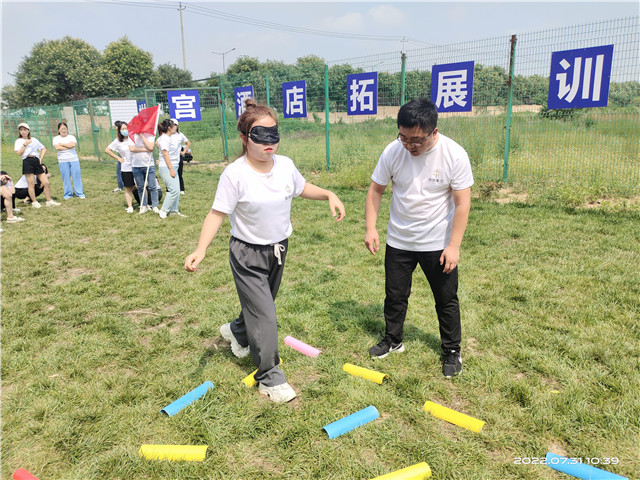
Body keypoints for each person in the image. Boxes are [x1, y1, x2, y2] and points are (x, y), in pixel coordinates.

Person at [185, 99, 345, 404]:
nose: (268, 143)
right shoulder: (234, 175)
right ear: (245, 139)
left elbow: (301, 187)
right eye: (260, 136)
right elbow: (217, 214)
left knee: (262, 308)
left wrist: (328, 194)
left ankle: (237, 332)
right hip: (247, 254)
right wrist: (201, 249)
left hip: (278, 251)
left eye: (273, 135)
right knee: (267, 316)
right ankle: (270, 378)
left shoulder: (284, 165)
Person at [364, 98, 473, 378]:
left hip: (437, 243)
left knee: (446, 298)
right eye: (404, 138)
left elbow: (462, 203)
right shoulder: (393, 151)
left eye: (417, 140)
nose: (410, 146)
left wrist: (454, 246)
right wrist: (371, 228)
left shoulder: (454, 154)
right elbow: (376, 190)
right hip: (399, 240)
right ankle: (393, 340)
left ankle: (451, 350)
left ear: (434, 132)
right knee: (395, 295)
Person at [13, 122, 60, 208]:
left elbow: (43, 148)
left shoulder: (34, 139)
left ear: (28, 130)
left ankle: (49, 201)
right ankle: (34, 202)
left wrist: (40, 159)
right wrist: (25, 144)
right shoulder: (19, 141)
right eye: (21, 130)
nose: (23, 132)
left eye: (24, 129)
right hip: (27, 161)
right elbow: (19, 153)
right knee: (31, 184)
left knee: (46, 182)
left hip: (36, 160)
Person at [105, 121, 136, 213]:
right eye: (122, 129)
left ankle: (144, 203)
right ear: (119, 131)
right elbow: (107, 150)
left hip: (136, 165)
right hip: (126, 167)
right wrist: (118, 158)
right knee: (128, 187)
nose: (125, 130)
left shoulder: (133, 138)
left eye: (126, 128)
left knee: (139, 186)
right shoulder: (118, 141)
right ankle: (130, 206)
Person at [128, 126, 161, 215]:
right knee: (141, 187)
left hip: (149, 165)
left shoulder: (149, 135)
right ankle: (144, 205)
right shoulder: (132, 136)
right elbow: (131, 149)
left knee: (152, 186)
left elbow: (151, 147)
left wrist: (142, 136)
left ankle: (155, 206)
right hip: (136, 165)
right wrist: (144, 149)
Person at [156, 119, 184, 219]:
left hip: (174, 166)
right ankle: (164, 210)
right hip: (166, 167)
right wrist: (171, 169)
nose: (176, 127)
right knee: (174, 190)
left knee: (176, 189)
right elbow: (165, 153)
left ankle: (174, 210)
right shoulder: (164, 138)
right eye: (174, 126)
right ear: (169, 128)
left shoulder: (169, 137)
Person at [53, 122, 85, 199]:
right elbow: (57, 148)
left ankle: (79, 193)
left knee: (76, 176)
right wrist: (68, 146)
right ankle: (68, 194)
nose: (64, 130)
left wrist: (62, 144)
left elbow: (73, 145)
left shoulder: (72, 137)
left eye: (65, 129)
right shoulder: (56, 138)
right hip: (62, 160)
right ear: (58, 130)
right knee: (66, 177)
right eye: (62, 129)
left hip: (74, 159)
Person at [170, 119, 190, 195]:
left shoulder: (180, 135)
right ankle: (169, 189)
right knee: (170, 173)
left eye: (175, 125)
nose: (173, 127)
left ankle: (181, 189)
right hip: (170, 156)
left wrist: (183, 152)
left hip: (178, 156)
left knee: (179, 173)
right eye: (172, 125)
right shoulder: (167, 135)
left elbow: (188, 143)